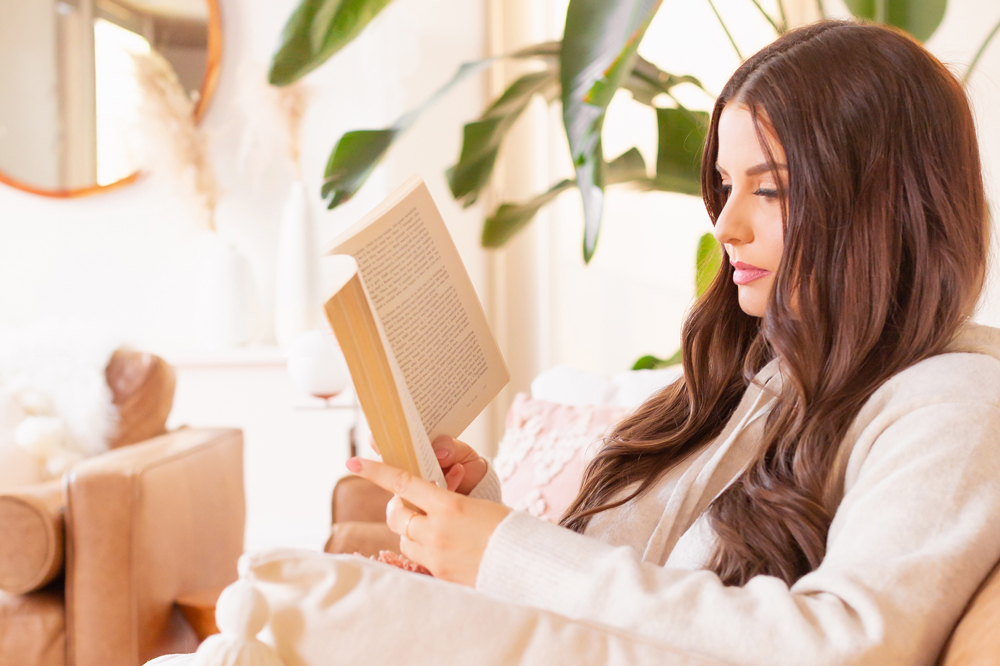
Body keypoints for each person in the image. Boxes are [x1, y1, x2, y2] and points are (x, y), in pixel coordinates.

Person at [346, 19, 1000, 665]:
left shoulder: (953, 402)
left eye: (768, 189)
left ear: (879, 203)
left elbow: (850, 645)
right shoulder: (755, 379)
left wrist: (506, 555)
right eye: (725, 185)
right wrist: (479, 529)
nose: (727, 224)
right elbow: (636, 592)